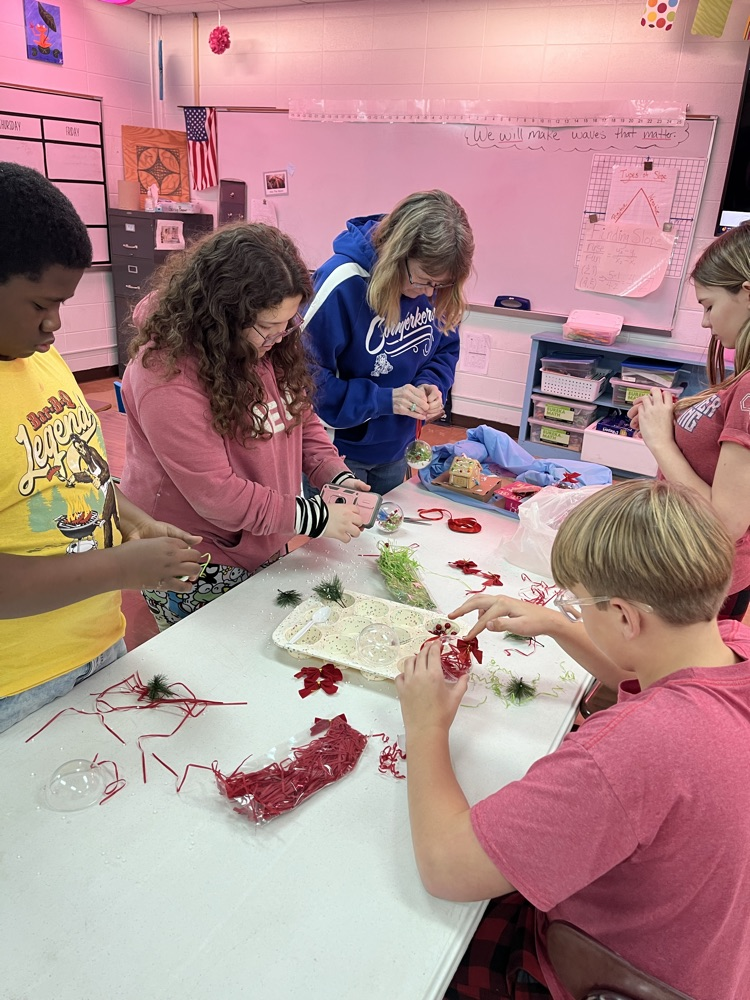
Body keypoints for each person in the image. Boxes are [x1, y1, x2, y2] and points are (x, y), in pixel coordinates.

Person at [396, 480, 750, 1000]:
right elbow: (644, 670)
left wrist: (426, 726)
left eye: (581, 603)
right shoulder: (730, 643)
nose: (576, 610)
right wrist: (559, 625)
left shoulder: (633, 748)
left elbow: (446, 868)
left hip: (617, 976)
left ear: (626, 616)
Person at [0, 163, 203, 734]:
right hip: (19, 685)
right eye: (40, 305)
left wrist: (131, 518)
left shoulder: (37, 358)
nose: (55, 325)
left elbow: (77, 479)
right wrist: (120, 566)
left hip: (97, 644)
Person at [120, 223, 368, 631]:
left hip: (262, 533)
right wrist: (314, 516)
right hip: (197, 556)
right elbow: (215, 494)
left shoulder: (267, 344)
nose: (278, 336)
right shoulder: (165, 374)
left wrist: (335, 474)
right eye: (266, 327)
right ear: (222, 313)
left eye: (287, 323)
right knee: (211, 671)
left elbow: (299, 419)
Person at [303, 190, 475, 494]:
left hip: (398, 447)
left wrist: (432, 384)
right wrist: (383, 400)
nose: (427, 292)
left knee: (387, 537)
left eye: (439, 285)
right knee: (337, 541)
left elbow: (444, 350)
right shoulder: (343, 282)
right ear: (398, 254)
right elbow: (304, 379)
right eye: (422, 280)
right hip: (338, 451)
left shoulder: (436, 288)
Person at [629, 222, 750, 620]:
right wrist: (674, 419)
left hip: (709, 580)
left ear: (747, 294)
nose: (705, 322)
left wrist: (661, 441)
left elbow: (725, 521)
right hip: (689, 561)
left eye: (709, 305)